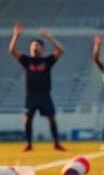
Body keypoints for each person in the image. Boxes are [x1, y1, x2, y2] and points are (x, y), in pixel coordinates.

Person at [9, 23, 66, 152]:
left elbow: (61, 50)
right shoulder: (27, 60)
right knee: (28, 120)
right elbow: (12, 51)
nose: (34, 47)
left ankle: (57, 143)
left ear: (42, 48)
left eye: (37, 45)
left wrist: (48, 37)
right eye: (32, 46)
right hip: (31, 95)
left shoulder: (47, 61)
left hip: (45, 95)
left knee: (52, 119)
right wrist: (16, 36)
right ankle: (28, 144)